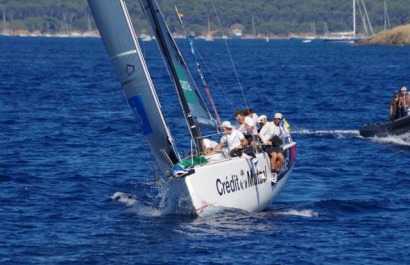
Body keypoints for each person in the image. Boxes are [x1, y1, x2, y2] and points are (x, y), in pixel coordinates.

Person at [258, 113, 287, 182]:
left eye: (279, 119)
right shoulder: (268, 124)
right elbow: (261, 134)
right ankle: (273, 173)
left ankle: (276, 173)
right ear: (274, 118)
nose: (277, 120)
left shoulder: (280, 128)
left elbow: (283, 137)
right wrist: (266, 141)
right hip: (266, 145)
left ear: (280, 120)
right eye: (276, 118)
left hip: (275, 145)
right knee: (274, 155)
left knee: (281, 157)